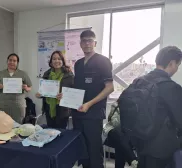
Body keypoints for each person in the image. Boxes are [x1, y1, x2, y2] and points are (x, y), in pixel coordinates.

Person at [130, 46, 182, 168]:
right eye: (178, 65)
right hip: (162, 148)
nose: (177, 69)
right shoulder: (172, 87)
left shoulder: (139, 81)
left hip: (140, 143)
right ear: (171, 63)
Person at [72, 30, 114, 168]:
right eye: (84, 41)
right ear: (80, 44)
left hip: (93, 114)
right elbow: (78, 87)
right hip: (78, 112)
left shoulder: (103, 61)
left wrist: (89, 104)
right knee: (82, 149)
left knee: (94, 150)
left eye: (90, 40)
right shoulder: (78, 64)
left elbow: (109, 87)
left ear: (95, 43)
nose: (87, 43)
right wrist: (65, 96)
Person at [36, 51, 74, 129]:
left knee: (61, 132)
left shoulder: (69, 75)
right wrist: (39, 94)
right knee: (50, 131)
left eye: (59, 59)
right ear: (51, 61)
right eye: (54, 59)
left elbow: (73, 93)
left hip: (62, 109)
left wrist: (64, 95)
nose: (56, 61)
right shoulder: (46, 74)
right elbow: (44, 91)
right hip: (48, 108)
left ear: (63, 61)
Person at [0, 53, 32, 123]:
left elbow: (30, 87)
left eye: (14, 61)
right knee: (1, 125)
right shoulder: (0, 73)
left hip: (17, 106)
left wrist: (26, 88)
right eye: (10, 60)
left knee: (17, 127)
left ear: (17, 63)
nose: (12, 62)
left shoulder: (23, 74)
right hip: (2, 105)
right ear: (7, 61)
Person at [103, 102, 138, 168]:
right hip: (111, 132)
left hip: (126, 136)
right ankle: (133, 160)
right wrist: (121, 111)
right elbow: (114, 123)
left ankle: (133, 161)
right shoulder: (116, 105)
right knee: (119, 133)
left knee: (121, 141)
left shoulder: (138, 107)